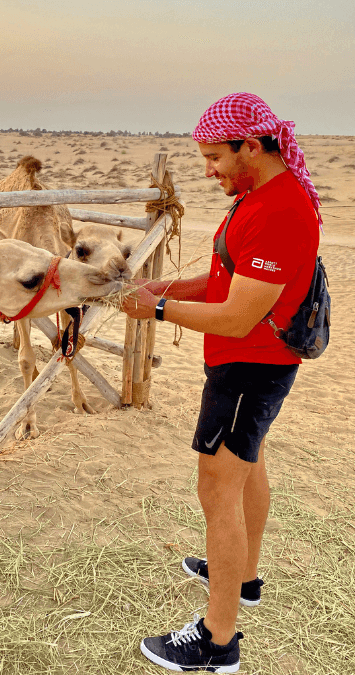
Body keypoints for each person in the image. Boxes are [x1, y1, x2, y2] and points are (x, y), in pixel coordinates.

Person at [122, 93, 321, 672]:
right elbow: (228, 285)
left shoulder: (278, 209)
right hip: (248, 362)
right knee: (247, 467)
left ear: (249, 147)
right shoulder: (260, 196)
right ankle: (244, 577)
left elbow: (238, 316)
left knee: (218, 490)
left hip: (251, 367)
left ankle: (217, 641)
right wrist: (166, 292)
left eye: (214, 157)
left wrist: (154, 313)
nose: (208, 170)